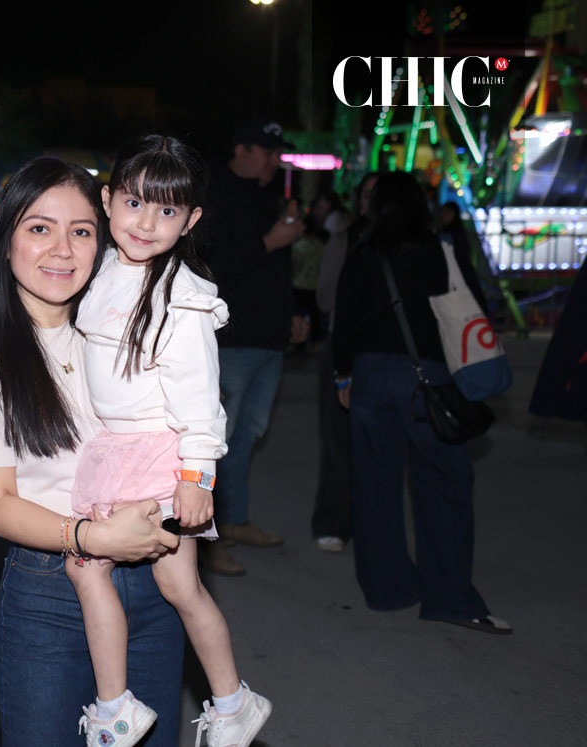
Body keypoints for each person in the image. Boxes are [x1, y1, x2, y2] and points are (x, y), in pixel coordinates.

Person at [0, 156, 186, 747]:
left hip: (157, 580)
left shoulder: (127, 330)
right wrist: (92, 538)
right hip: (51, 586)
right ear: (4, 242)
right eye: (39, 228)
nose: (62, 249)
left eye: (81, 231)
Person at [68, 135, 271, 747]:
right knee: (151, 580)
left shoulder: (182, 300)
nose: (146, 223)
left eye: (166, 211)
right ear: (107, 202)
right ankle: (214, 704)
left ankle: (140, 707)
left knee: (104, 570)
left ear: (191, 220)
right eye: (133, 202)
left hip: (159, 456)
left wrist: (196, 476)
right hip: (116, 450)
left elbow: (201, 400)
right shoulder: (102, 267)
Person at [331, 172, 511, 635]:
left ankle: (387, 590)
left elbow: (342, 321)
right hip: (424, 379)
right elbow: (471, 309)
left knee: (373, 488)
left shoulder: (362, 254)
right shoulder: (440, 249)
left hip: (370, 379)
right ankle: (449, 598)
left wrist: (344, 375)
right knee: (445, 482)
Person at [197, 115, 307, 576]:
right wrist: (269, 240)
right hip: (231, 339)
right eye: (266, 153)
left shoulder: (268, 197)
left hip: (269, 336)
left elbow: (280, 266)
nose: (273, 162)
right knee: (211, 444)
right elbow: (208, 265)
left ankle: (235, 520)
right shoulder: (212, 194)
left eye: (277, 154)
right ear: (241, 151)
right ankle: (207, 541)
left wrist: (297, 313)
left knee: (247, 437)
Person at [309, 190, 355, 552]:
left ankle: (338, 524)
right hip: (360, 350)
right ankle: (341, 523)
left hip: (352, 345)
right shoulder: (345, 236)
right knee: (346, 440)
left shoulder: (346, 236)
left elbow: (325, 295)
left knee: (340, 441)